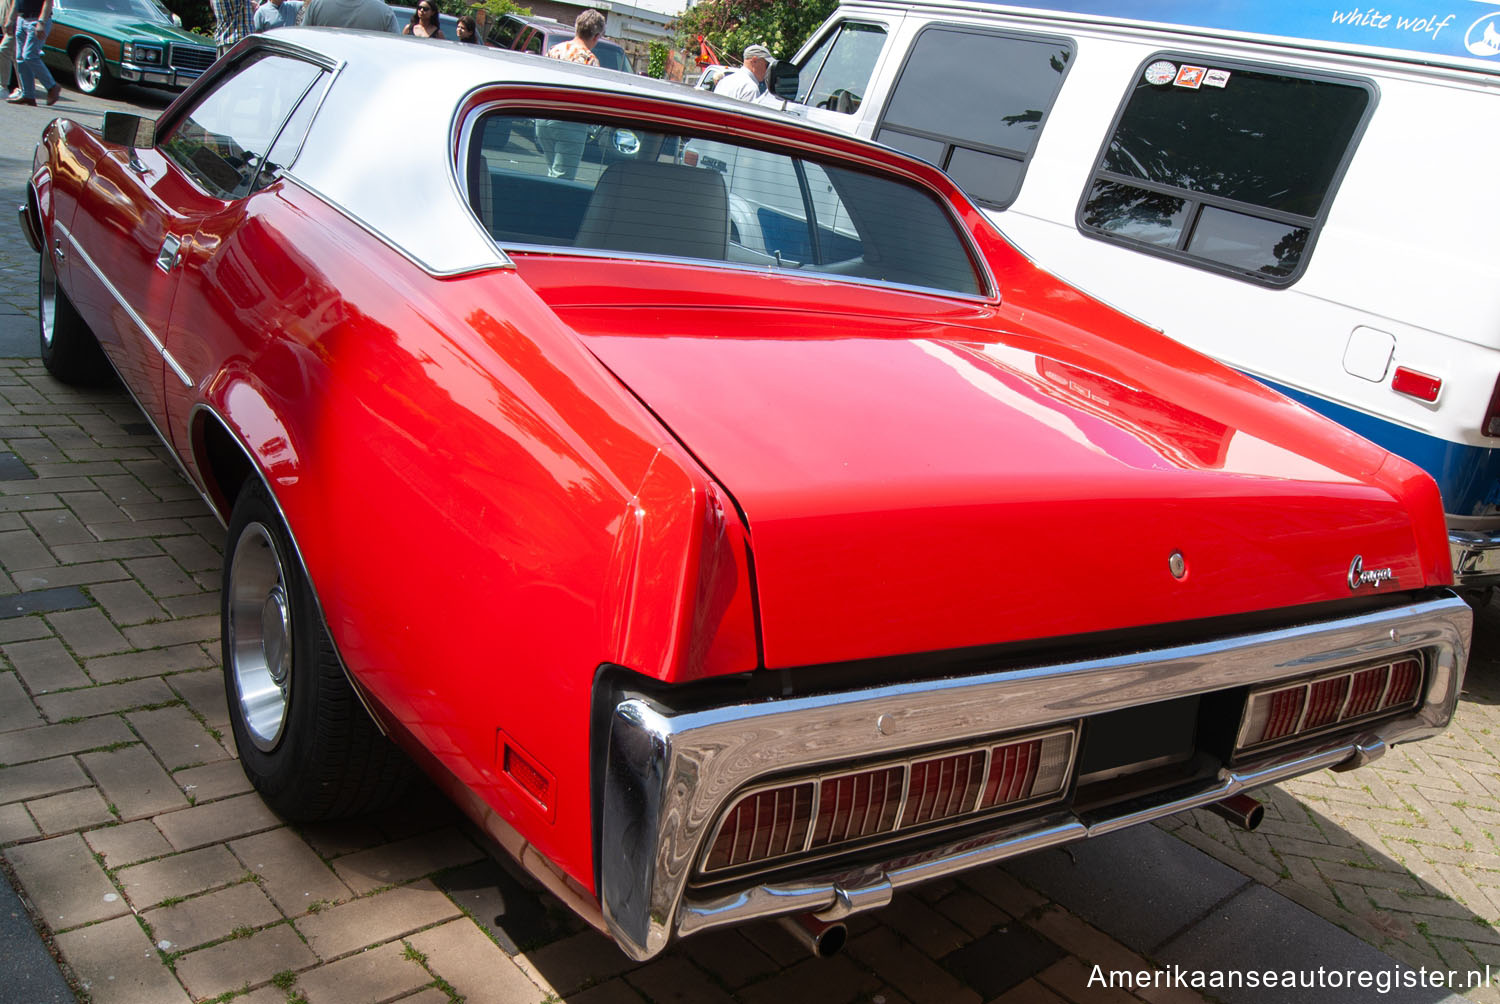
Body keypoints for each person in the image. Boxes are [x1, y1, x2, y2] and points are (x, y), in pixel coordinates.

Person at [536, 9, 604, 179]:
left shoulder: (555, 50)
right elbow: (592, 96)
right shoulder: (590, 60)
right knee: (562, 179)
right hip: (569, 123)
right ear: (596, 36)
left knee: (552, 173)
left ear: (577, 28)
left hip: (543, 119)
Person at [6, 0, 58, 106]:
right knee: (20, 58)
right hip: (22, 19)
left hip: (36, 20)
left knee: (29, 56)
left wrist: (41, 22)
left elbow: (48, 2)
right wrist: (10, 19)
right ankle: (28, 95)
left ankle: (52, 86)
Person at [298, 0, 398, 31]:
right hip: (370, 78)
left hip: (326, 77)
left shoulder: (317, 5)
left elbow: (302, 45)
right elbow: (395, 53)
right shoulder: (384, 12)